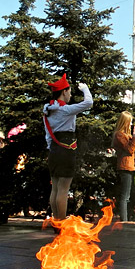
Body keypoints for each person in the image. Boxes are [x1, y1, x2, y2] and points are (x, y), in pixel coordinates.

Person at [43, 74, 93, 222]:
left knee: (56, 188)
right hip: (66, 149)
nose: (70, 94)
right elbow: (89, 102)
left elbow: (48, 135)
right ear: (64, 92)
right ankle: (61, 223)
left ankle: (56, 222)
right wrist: (85, 89)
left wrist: (50, 149)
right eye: (69, 91)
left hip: (53, 149)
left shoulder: (48, 110)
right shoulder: (65, 110)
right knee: (63, 190)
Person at [112, 111, 135, 222]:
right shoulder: (119, 135)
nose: (131, 124)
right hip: (125, 167)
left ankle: (130, 217)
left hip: (131, 167)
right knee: (125, 196)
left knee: (130, 195)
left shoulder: (127, 135)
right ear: (125, 122)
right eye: (130, 122)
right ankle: (124, 221)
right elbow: (130, 149)